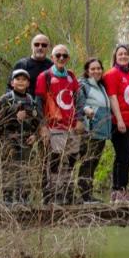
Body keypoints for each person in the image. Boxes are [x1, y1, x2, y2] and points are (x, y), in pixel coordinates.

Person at [37, 44, 82, 205]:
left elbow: (78, 98)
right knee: (55, 161)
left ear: (68, 58)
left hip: (71, 126)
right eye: (58, 55)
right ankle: (54, 194)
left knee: (70, 161)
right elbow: (39, 102)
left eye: (64, 55)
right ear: (52, 57)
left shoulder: (71, 76)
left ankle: (67, 193)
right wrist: (43, 126)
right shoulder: (45, 76)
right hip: (54, 126)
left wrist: (80, 119)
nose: (61, 58)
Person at [0, 69, 42, 206]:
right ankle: (8, 198)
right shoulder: (5, 99)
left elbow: (37, 121)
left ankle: (23, 198)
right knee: (9, 169)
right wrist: (14, 112)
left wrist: (35, 135)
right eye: (18, 79)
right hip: (9, 141)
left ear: (28, 83)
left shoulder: (31, 100)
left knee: (25, 169)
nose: (21, 82)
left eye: (24, 79)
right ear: (12, 82)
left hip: (27, 141)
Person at [104, 44, 129, 202]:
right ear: (115, 57)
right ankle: (118, 190)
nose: (124, 56)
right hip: (118, 122)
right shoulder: (112, 74)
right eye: (120, 54)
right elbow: (112, 97)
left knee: (127, 155)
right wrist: (119, 120)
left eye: (126, 54)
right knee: (123, 154)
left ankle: (121, 190)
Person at [77, 58, 112, 204]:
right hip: (89, 130)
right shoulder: (83, 85)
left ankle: (88, 194)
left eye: (99, 68)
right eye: (93, 69)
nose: (96, 71)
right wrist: (86, 110)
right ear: (87, 71)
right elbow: (79, 102)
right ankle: (85, 195)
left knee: (94, 163)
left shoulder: (101, 86)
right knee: (88, 162)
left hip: (101, 132)